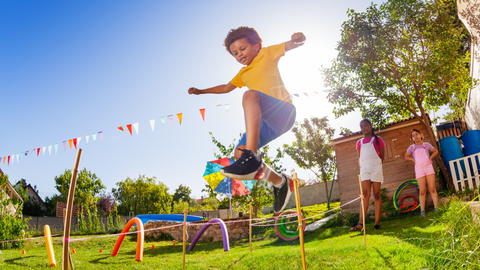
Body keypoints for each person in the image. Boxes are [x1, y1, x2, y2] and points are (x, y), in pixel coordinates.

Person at [188, 26, 305, 212]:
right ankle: (280, 182)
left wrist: (298, 39)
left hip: (283, 112)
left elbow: (292, 45)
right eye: (235, 53)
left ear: (256, 46)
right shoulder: (242, 73)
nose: (239, 55)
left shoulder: (266, 53)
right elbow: (226, 88)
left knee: (250, 96)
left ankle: (251, 157)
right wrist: (201, 91)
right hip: (268, 123)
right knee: (239, 153)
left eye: (243, 49)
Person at [350, 119, 385, 232]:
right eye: (361, 126)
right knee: (365, 194)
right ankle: (361, 223)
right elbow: (360, 158)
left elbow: (382, 155)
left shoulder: (377, 139)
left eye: (365, 125)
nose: (364, 128)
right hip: (364, 169)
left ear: (370, 126)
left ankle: (377, 223)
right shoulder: (359, 143)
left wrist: (377, 164)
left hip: (376, 167)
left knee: (377, 194)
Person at [405, 129, 439, 217]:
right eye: (413, 135)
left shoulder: (426, 145)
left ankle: (436, 208)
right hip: (419, 169)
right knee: (422, 190)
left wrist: (430, 158)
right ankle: (422, 211)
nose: (415, 136)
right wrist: (412, 159)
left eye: (416, 134)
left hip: (428, 168)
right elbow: (406, 156)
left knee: (432, 188)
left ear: (421, 135)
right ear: (412, 138)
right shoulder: (411, 148)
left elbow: (435, 151)